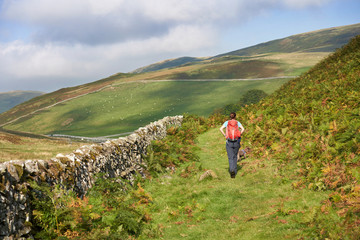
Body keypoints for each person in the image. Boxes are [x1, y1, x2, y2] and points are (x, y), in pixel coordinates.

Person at [219, 112, 245, 178]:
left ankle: (231, 170)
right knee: (235, 156)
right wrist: (239, 134)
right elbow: (243, 129)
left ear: (230, 117)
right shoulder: (237, 122)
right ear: (235, 117)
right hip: (236, 142)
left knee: (230, 157)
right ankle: (235, 171)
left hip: (229, 142)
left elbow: (220, 129)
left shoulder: (227, 122)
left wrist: (225, 135)